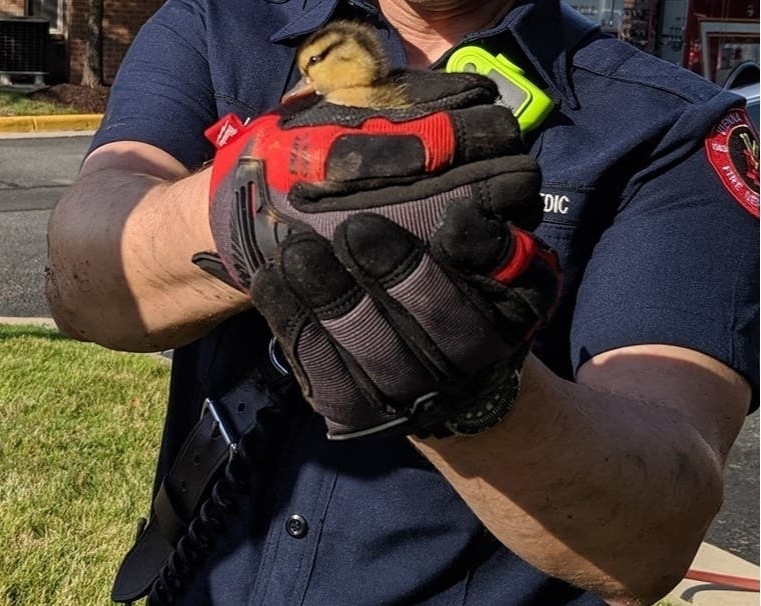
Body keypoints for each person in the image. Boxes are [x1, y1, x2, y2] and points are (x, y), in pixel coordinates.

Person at [45, 0, 759, 604]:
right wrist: (259, 200)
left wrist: (478, 396)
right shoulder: (221, 22)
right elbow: (81, 278)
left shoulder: (670, 127)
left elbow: (653, 531)